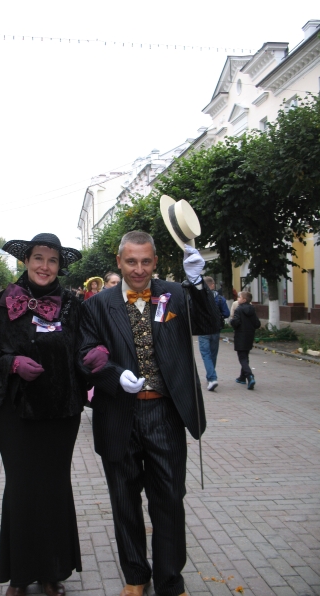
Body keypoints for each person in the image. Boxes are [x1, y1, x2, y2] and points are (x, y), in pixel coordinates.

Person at [77, 231, 221, 596]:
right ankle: (136, 576)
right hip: (118, 414)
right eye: (131, 262)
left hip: (165, 413)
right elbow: (86, 354)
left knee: (169, 500)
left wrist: (196, 283)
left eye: (145, 261)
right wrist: (113, 375)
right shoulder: (97, 305)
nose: (138, 269)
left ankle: (170, 580)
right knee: (124, 501)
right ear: (119, 262)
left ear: (155, 261)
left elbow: (209, 325)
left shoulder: (175, 294)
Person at [0, 233, 86, 596]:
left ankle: (52, 572)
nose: (44, 266)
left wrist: (93, 358)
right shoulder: (4, 302)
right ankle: (19, 576)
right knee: (21, 490)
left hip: (60, 414)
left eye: (52, 260)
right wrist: (11, 363)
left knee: (53, 488)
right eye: (38, 258)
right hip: (16, 414)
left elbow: (83, 348)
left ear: (59, 266)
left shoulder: (71, 304)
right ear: (26, 261)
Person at [198, 276, 230, 392]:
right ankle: (210, 376)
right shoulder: (220, 299)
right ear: (212, 285)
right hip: (216, 329)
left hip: (203, 329)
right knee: (213, 353)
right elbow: (226, 314)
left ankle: (212, 378)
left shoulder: (200, 298)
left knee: (206, 354)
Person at [230, 290, 261, 390]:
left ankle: (250, 376)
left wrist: (232, 322)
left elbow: (236, 322)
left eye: (239, 297)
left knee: (242, 358)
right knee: (245, 356)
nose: (238, 299)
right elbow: (257, 324)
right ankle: (242, 377)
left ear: (244, 300)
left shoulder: (239, 309)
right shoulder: (252, 309)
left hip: (240, 336)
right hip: (249, 336)